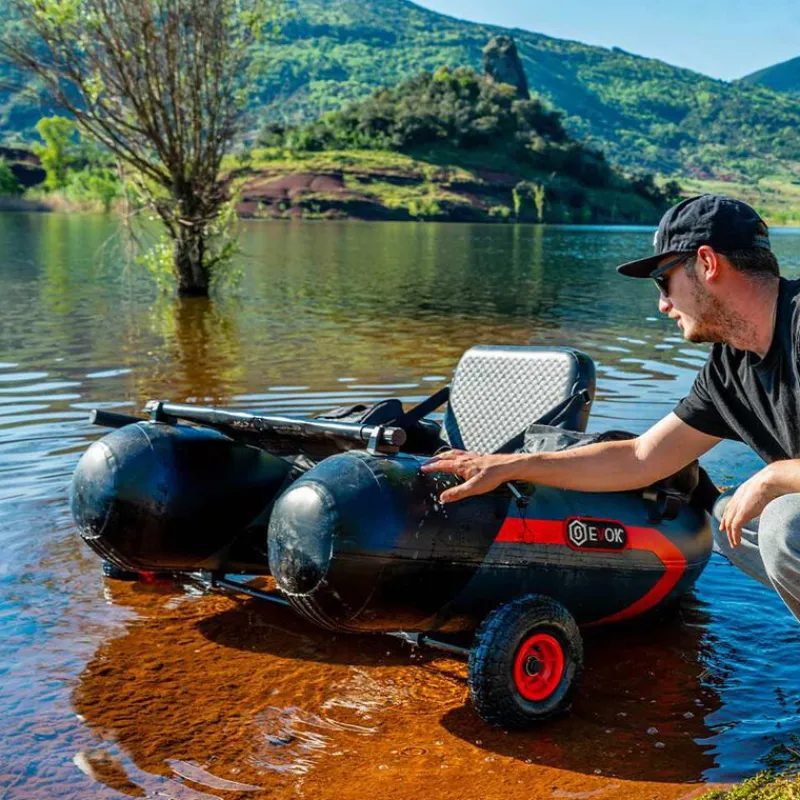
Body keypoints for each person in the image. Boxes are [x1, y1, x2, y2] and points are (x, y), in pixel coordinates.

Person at [421, 193, 800, 622]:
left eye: (663, 281)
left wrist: (774, 476)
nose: (663, 305)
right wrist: (510, 466)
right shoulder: (730, 368)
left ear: (708, 263)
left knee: (782, 521)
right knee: (730, 521)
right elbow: (640, 458)